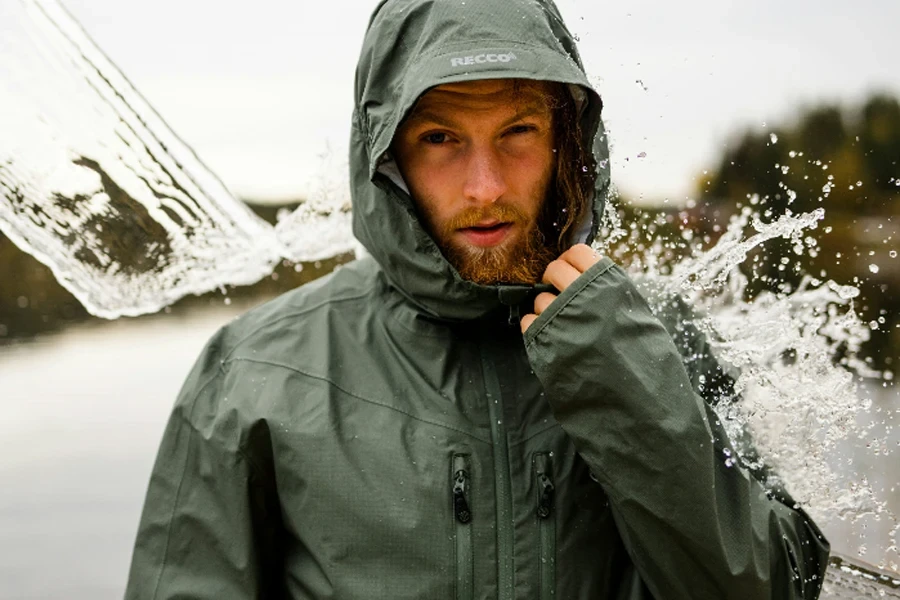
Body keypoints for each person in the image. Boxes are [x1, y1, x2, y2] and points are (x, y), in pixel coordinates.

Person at [125, 0, 830, 598]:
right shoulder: (253, 372)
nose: (485, 186)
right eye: (440, 139)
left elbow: (773, 582)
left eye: (518, 131)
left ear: (568, 142)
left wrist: (628, 394)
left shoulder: (654, 336)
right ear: (387, 159)